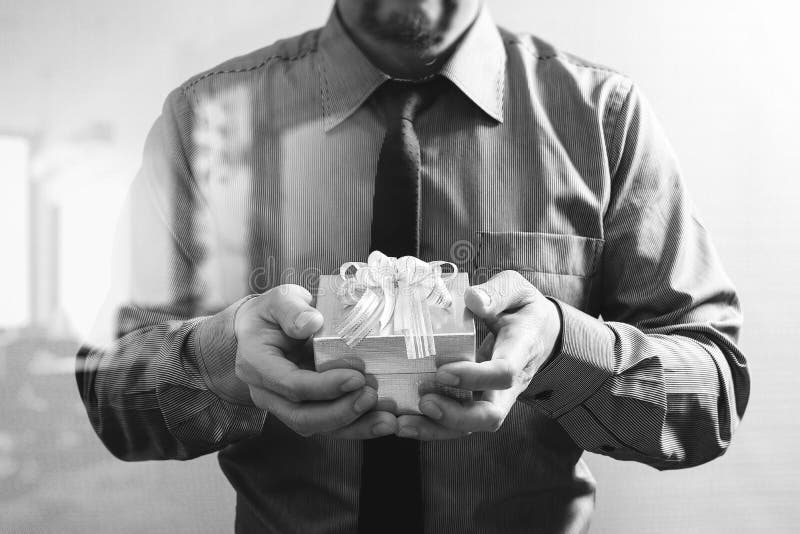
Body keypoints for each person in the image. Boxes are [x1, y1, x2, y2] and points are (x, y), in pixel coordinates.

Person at [77, 0, 750, 532]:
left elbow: (712, 397)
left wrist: (563, 348)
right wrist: (224, 355)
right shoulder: (204, 118)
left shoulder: (605, 119)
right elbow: (111, 393)